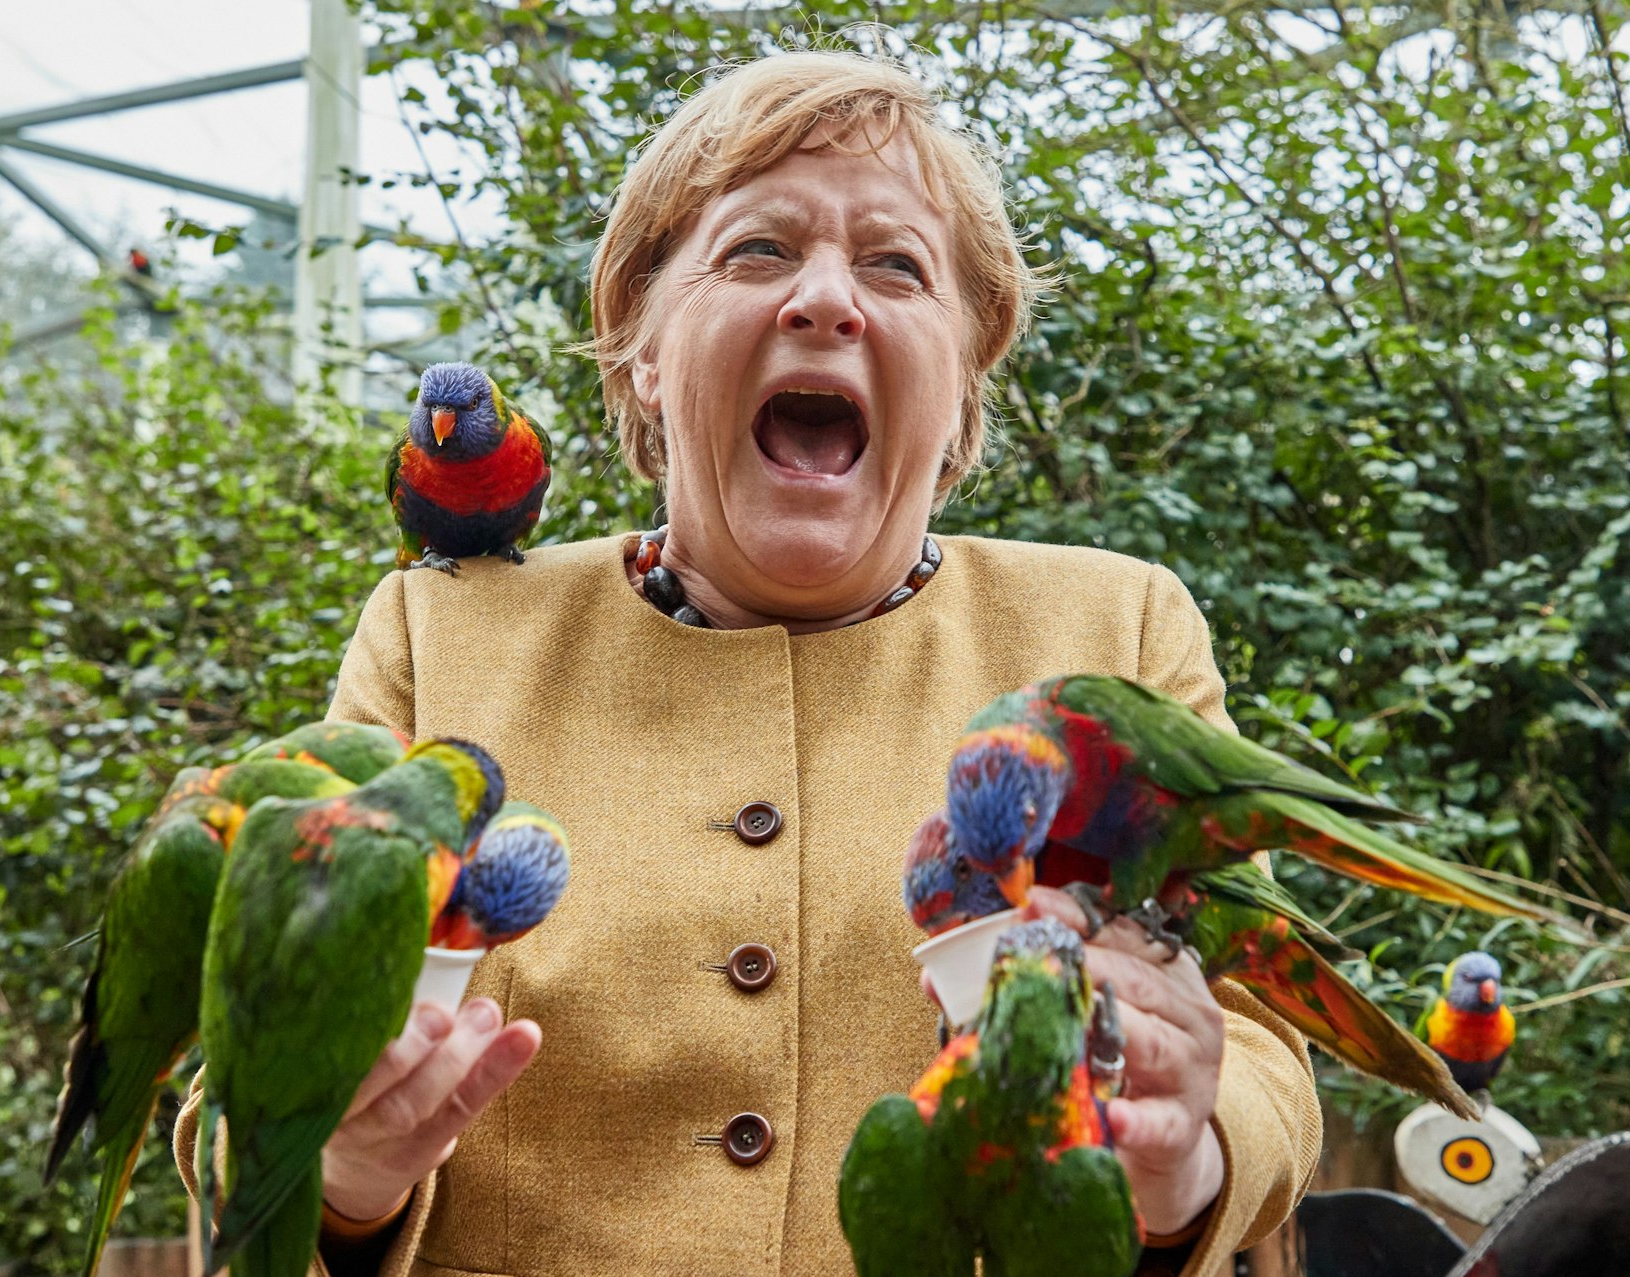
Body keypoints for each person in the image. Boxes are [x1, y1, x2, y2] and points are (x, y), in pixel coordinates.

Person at [175, 46, 1321, 1276]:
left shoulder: (1117, 636)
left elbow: (1261, 1051)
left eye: (896, 265)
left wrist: (1182, 1157)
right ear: (644, 355)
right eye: (757, 250)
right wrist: (343, 1173)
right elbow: (248, 1077)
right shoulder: (441, 633)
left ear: (962, 372)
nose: (825, 300)